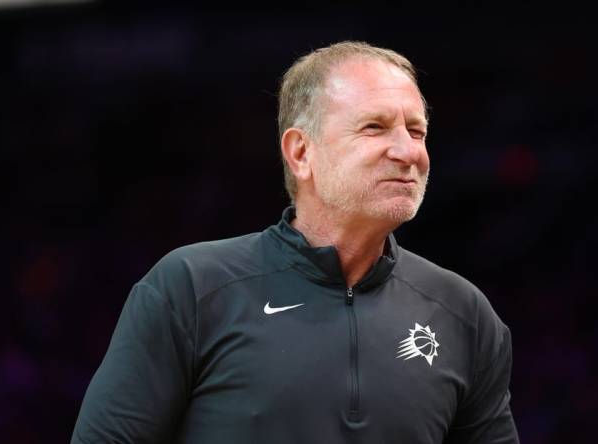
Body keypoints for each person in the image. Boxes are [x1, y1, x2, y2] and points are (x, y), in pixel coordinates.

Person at [71, 41, 519, 444]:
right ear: (301, 153)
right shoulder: (191, 287)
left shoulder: (465, 313)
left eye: (416, 131)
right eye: (375, 128)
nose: (408, 151)